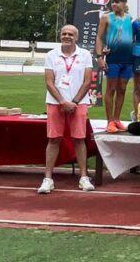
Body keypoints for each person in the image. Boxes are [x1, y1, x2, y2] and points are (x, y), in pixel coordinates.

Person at [38, 24, 95, 194]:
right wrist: (63, 101)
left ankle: (83, 177)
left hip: (79, 103)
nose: (67, 36)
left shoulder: (85, 54)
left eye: (70, 34)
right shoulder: (51, 55)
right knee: (54, 139)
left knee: (79, 139)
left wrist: (74, 102)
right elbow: (49, 82)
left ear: (76, 37)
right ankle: (48, 178)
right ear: (60, 36)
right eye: (64, 34)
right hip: (56, 103)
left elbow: (87, 81)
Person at [95, 0, 134, 133]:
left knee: (122, 89)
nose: (114, 4)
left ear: (125, 3)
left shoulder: (130, 18)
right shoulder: (106, 17)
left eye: (118, 2)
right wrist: (99, 57)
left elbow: (132, 38)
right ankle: (109, 121)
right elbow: (99, 38)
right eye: (113, 2)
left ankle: (117, 119)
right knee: (110, 89)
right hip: (113, 59)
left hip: (128, 60)